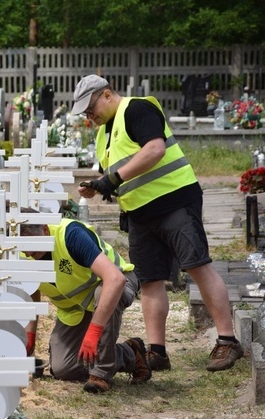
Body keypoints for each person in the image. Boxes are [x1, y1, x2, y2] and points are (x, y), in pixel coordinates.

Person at [73, 74, 243, 372]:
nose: (90, 117)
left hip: (174, 201)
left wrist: (110, 180)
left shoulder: (137, 109)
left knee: (197, 266)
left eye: (91, 109)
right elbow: (117, 174)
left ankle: (228, 341)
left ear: (108, 94)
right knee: (150, 281)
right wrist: (99, 186)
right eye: (86, 113)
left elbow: (155, 150)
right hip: (140, 214)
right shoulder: (103, 135)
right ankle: (157, 351)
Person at [20, 211, 151, 393]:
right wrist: (29, 333)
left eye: (31, 245)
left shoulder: (70, 235)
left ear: (44, 229)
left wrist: (94, 330)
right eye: (23, 247)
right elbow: (31, 289)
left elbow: (115, 280)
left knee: (103, 292)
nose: (28, 252)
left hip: (113, 286)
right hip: (76, 309)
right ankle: (130, 353)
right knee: (63, 368)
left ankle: (101, 374)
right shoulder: (21, 252)